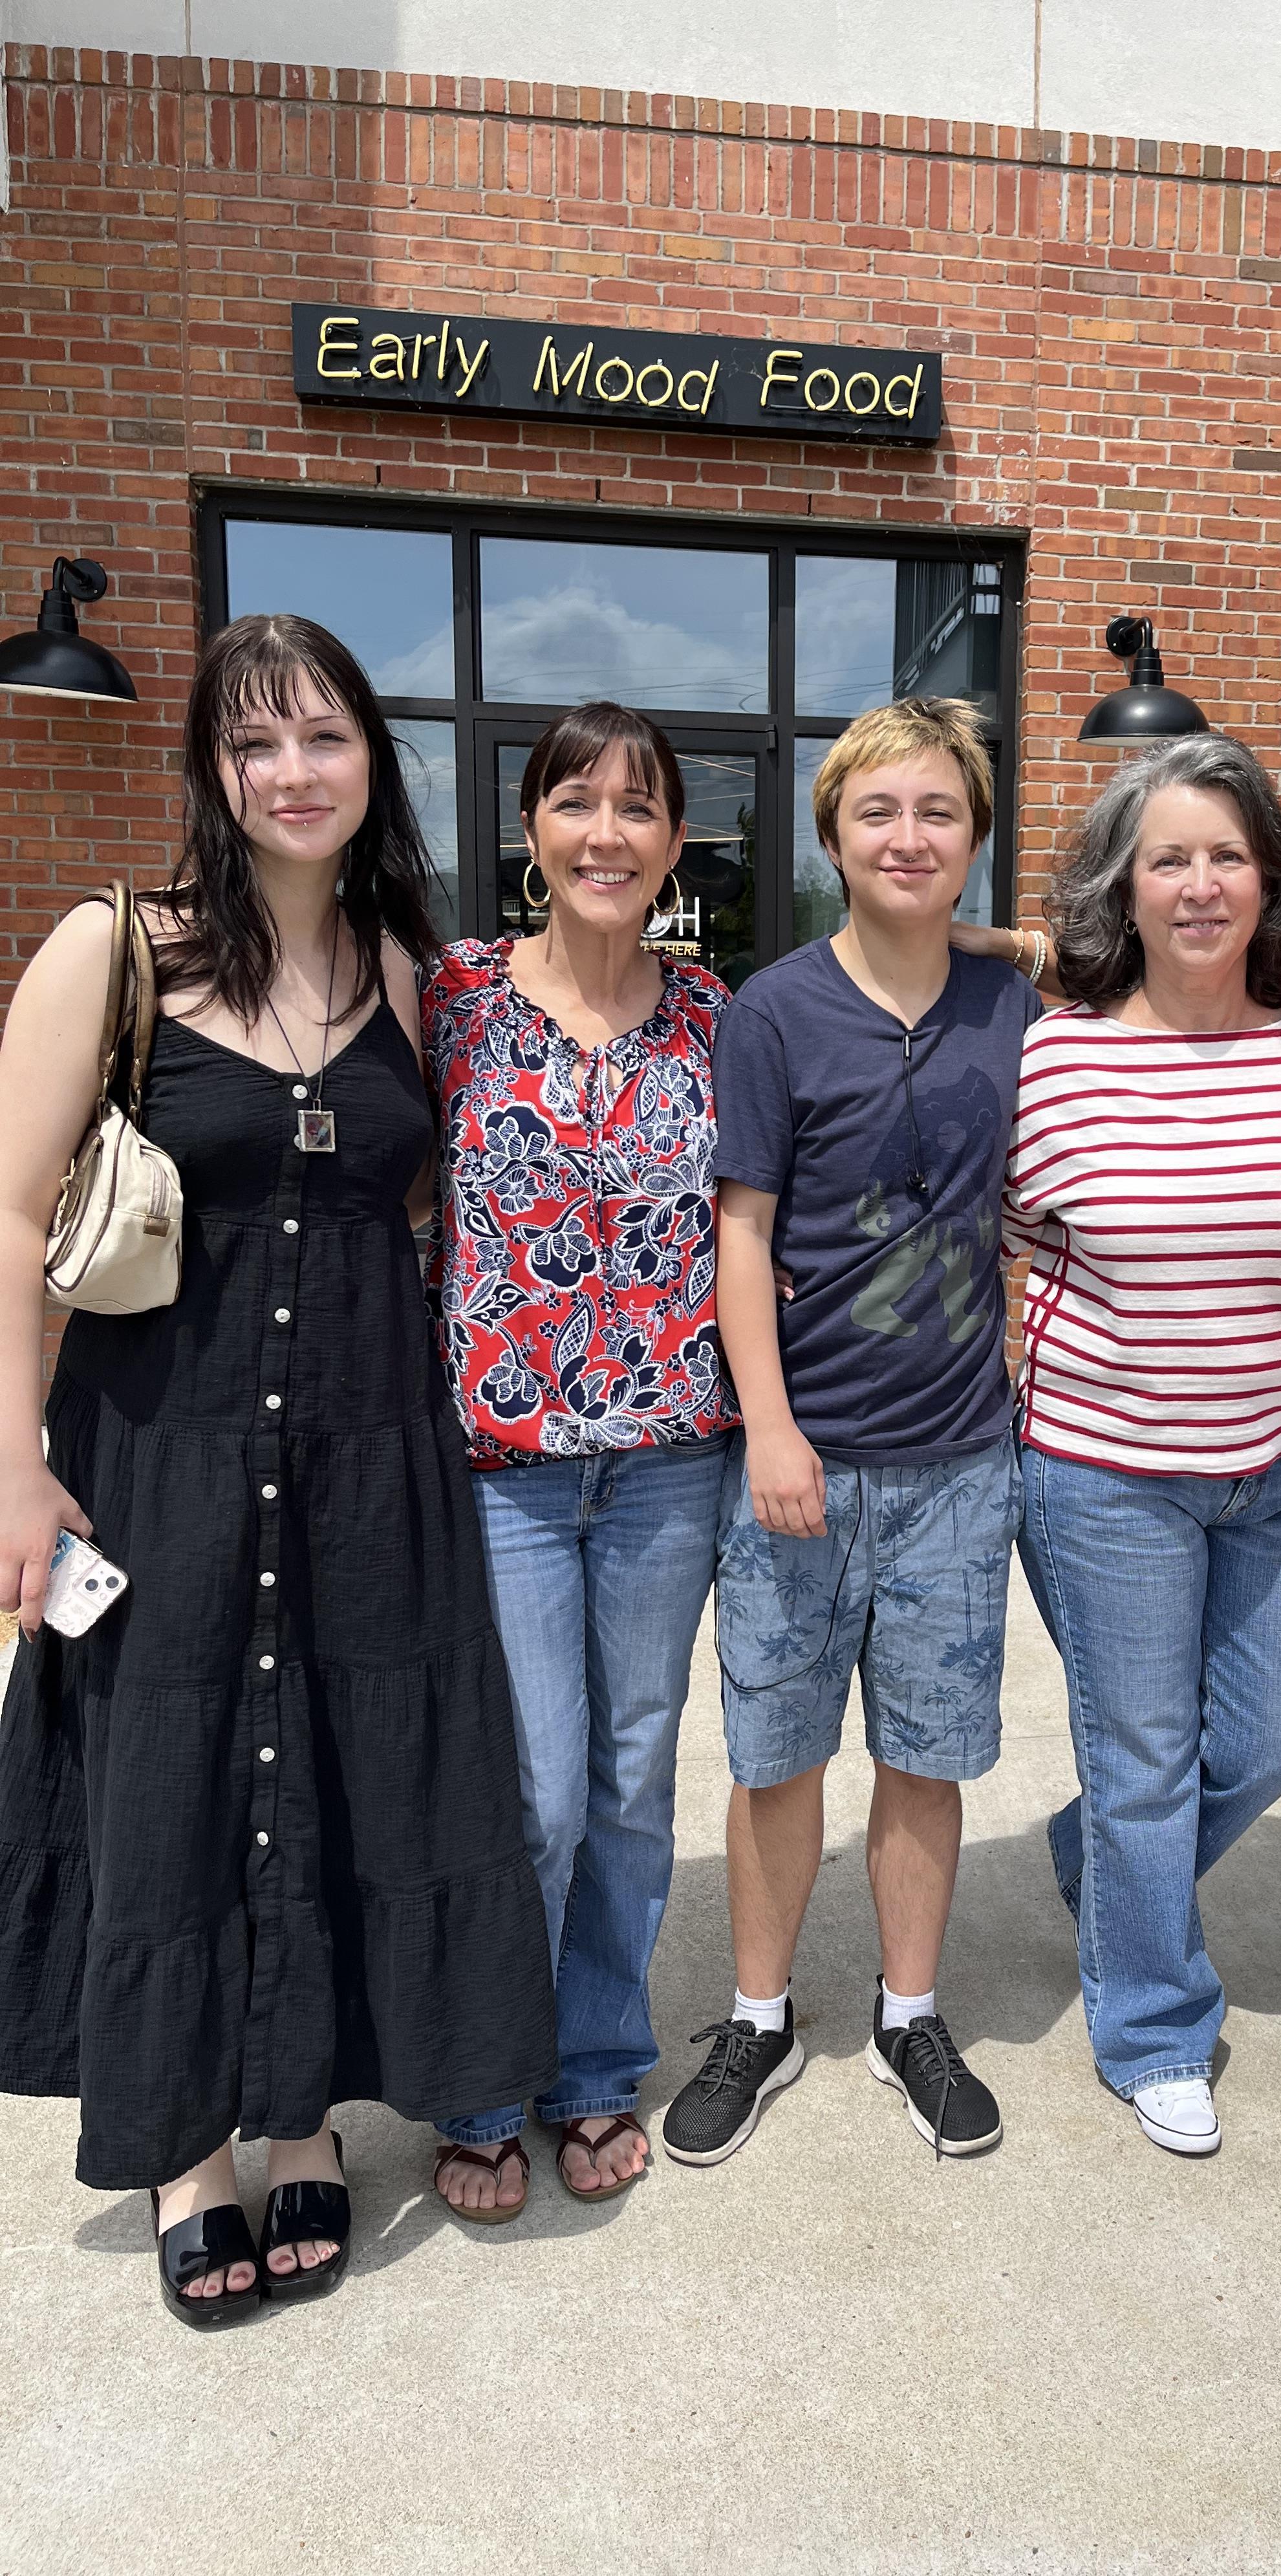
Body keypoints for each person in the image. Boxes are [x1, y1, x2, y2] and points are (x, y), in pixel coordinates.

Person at [0, 614, 556, 2326]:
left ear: (371, 759)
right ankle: (184, 2151)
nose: (293, 774)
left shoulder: (404, 961)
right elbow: (15, 1215)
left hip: (366, 1456)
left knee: (333, 1762)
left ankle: (302, 2107)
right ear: (213, 772)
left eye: (322, 737)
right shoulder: (121, 948)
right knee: (161, 1786)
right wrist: (14, 1468)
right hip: (159, 1443)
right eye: (255, 746)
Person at [659, 697, 1041, 2168]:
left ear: (974, 840)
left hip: (958, 1456)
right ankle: (757, 2015)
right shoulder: (773, 1012)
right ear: (832, 835)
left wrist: (1015, 947)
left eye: (938, 812)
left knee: (928, 1754)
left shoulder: (1018, 999)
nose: (908, 836)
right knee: (776, 1754)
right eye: (878, 812)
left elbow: (1092, 968)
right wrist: (769, 1429)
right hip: (802, 1456)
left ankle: (911, 2009)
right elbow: (738, 1232)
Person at [421, 702, 740, 2220]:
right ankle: (487, 2076)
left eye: (639, 807)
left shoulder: (720, 1020)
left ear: (678, 843)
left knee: (630, 1776)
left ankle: (598, 2065)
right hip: (509, 1470)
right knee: (536, 1784)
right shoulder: (456, 1001)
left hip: (674, 1464)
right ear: (531, 831)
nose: (606, 831)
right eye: (575, 803)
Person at [999, 735, 1281, 2155]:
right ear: (1121, 890)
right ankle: (1152, 2026)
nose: (1199, 885)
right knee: (1143, 1757)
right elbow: (1004, 1250)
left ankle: (1095, 1864)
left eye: (1225, 855)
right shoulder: (1057, 1058)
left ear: (1267, 877)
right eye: (1167, 859)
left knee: (1271, 1736)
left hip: (1269, 1474)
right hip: (1100, 1471)